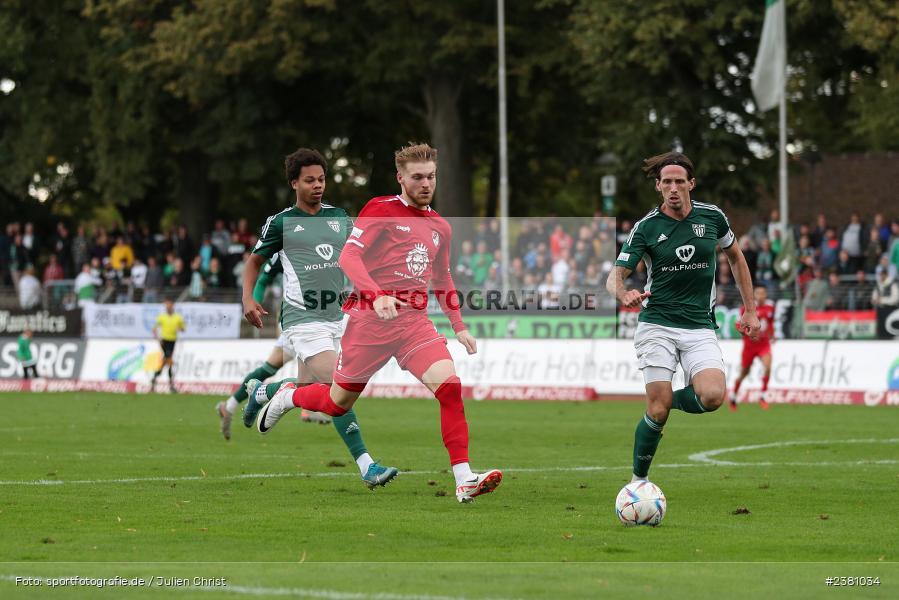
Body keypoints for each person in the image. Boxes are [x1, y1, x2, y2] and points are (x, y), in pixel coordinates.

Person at [245, 142, 502, 503]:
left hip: (413, 324)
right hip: (369, 323)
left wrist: (459, 326)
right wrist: (376, 293)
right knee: (337, 403)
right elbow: (350, 256)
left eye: (431, 176)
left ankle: (464, 479)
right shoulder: (379, 209)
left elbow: (442, 278)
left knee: (450, 388)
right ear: (400, 178)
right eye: (417, 177)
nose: (426, 183)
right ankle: (288, 395)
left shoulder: (440, 226)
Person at [237, 147, 397, 489]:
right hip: (302, 319)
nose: (317, 185)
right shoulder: (282, 222)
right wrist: (248, 296)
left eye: (322, 179)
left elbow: (360, 256)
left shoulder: (339, 217)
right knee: (341, 384)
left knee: (315, 390)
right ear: (295, 183)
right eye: (309, 180)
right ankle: (367, 466)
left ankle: (268, 392)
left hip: (338, 317)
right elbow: (254, 262)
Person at [606, 151, 759, 483]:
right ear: (658, 187)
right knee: (657, 412)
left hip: (699, 326)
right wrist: (625, 293)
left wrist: (750, 309)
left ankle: (662, 400)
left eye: (679, 181)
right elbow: (614, 276)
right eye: (666, 182)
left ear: (691, 183)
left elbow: (736, 257)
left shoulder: (712, 218)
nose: (673, 188)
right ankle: (638, 482)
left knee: (713, 396)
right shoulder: (646, 227)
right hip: (657, 323)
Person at [215, 253, 330, 441]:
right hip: (299, 320)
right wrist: (254, 305)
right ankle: (277, 399)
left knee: (271, 367)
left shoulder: (323, 240)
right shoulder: (287, 247)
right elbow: (263, 278)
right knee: (324, 374)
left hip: (319, 319)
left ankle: (229, 406)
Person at [730, 285, 775, 411]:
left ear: (765, 295)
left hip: (763, 344)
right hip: (749, 345)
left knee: (768, 367)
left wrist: (773, 335)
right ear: (754, 295)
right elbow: (739, 325)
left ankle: (763, 396)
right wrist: (743, 331)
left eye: (763, 293)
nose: (760, 295)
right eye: (758, 293)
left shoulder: (770, 307)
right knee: (744, 373)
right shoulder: (747, 309)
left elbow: (770, 322)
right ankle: (733, 396)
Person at [151, 298, 185, 393]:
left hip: (172, 341)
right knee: (169, 359)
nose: (168, 307)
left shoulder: (177, 317)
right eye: (167, 306)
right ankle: (171, 385)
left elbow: (183, 328)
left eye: (170, 305)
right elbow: (154, 329)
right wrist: (158, 339)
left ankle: (154, 378)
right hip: (164, 341)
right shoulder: (162, 317)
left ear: (172, 306)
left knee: (166, 361)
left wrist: (180, 328)